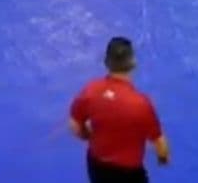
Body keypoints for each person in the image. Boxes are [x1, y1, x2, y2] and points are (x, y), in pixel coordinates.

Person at [68, 37, 170, 182]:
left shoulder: (90, 90)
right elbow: (160, 143)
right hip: (129, 173)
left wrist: (87, 136)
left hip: (97, 166)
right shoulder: (141, 104)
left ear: (106, 62)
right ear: (133, 63)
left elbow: (75, 126)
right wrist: (163, 158)